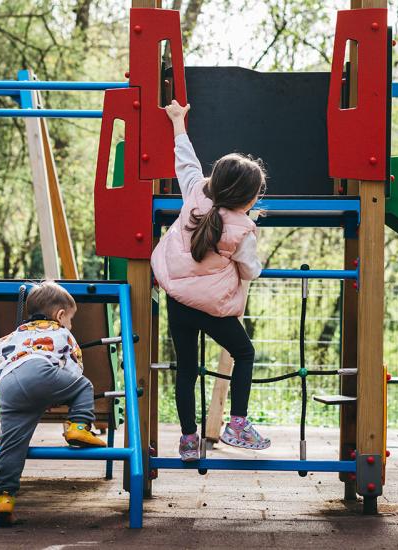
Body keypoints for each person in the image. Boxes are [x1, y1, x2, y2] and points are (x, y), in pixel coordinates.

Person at [151, 100, 269, 461]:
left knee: (187, 370)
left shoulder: (194, 196)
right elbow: (250, 269)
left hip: (177, 302)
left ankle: (188, 440)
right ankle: (237, 423)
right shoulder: (242, 229)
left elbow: (185, 162)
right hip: (213, 310)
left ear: (213, 182)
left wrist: (177, 121)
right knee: (244, 353)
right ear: (248, 199)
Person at [0, 281, 106, 526]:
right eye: (71, 319)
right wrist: (57, 391)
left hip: (9, 386)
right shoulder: (62, 333)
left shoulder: (10, 336)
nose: (71, 324)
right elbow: (74, 366)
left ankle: (4, 499)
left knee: (11, 446)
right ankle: (78, 427)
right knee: (84, 386)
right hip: (41, 372)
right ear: (60, 315)